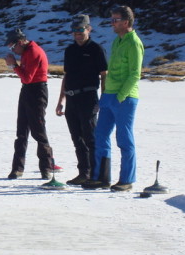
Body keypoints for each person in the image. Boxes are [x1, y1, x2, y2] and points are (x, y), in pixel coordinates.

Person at [83, 6, 144, 192]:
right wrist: (105, 96)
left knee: (124, 139)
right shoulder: (117, 41)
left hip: (125, 98)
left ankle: (127, 179)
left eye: (115, 20)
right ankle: (102, 177)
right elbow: (111, 72)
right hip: (109, 96)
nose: (112, 23)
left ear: (126, 22)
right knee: (100, 135)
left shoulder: (134, 43)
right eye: (112, 19)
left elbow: (135, 74)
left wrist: (121, 96)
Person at [55, 15, 107, 186]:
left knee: (90, 137)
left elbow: (104, 74)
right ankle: (83, 172)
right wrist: (60, 100)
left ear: (88, 29)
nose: (77, 33)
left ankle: (95, 174)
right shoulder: (69, 50)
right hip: (72, 98)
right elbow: (67, 75)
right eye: (75, 30)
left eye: (81, 30)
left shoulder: (96, 49)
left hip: (88, 97)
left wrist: (103, 99)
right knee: (77, 138)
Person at [3, 28, 54, 180]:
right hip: (28, 90)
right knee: (21, 131)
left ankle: (46, 167)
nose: (13, 51)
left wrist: (14, 65)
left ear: (20, 42)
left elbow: (27, 78)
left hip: (37, 91)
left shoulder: (33, 52)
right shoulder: (26, 51)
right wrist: (16, 65)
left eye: (12, 47)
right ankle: (17, 168)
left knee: (38, 130)